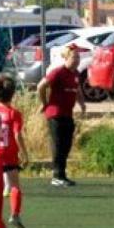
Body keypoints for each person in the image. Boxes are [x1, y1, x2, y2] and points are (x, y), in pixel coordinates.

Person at [37, 44, 85, 187]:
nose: (77, 60)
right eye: (74, 57)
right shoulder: (58, 72)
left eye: (78, 57)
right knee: (58, 144)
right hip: (55, 114)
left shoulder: (75, 74)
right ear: (66, 58)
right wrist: (44, 103)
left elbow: (77, 90)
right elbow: (41, 86)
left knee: (66, 144)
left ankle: (62, 175)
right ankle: (56, 176)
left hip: (67, 114)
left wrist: (82, 103)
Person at [0, 74, 27, 228]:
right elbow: (17, 134)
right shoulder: (14, 113)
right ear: (13, 93)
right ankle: (15, 214)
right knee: (14, 186)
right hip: (10, 153)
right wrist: (25, 154)